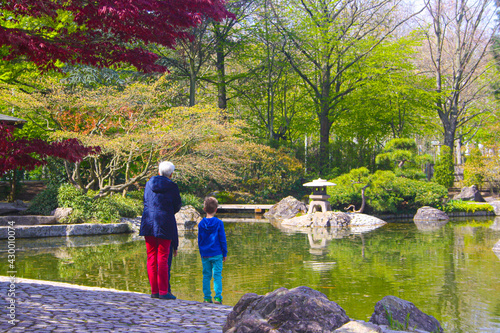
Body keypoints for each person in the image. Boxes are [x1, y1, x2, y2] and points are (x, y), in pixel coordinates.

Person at [139, 161, 181, 300]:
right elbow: (177, 206)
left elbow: (145, 200)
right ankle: (163, 292)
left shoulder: (149, 183)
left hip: (148, 221)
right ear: (171, 174)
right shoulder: (172, 186)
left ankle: (154, 291)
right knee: (162, 257)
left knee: (151, 256)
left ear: (158, 172)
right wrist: (167, 211)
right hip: (165, 222)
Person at [198, 196, 227, 304]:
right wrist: (225, 253)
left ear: (204, 209)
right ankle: (218, 297)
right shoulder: (219, 223)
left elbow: (200, 240)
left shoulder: (201, 223)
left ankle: (206, 297)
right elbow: (222, 239)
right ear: (216, 209)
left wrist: (201, 252)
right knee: (217, 275)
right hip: (217, 253)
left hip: (205, 254)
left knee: (206, 275)